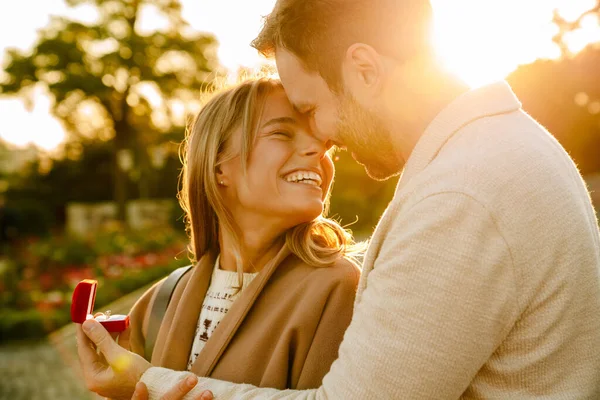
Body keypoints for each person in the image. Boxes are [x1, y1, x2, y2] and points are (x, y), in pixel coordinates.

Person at [80, 0, 600, 398]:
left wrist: (151, 384)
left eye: (311, 106)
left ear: (365, 71)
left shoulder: (461, 195)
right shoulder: (491, 155)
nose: (323, 137)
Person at [75, 78, 362, 399]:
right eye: (282, 132)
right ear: (218, 167)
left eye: (324, 143)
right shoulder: (159, 302)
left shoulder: (338, 287)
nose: (317, 151)